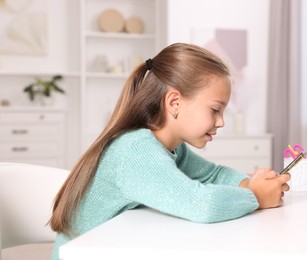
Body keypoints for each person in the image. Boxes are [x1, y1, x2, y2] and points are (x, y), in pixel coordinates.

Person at [49, 43, 291, 259]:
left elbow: (211, 174)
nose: (221, 122)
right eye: (215, 110)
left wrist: (250, 183)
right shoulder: (136, 150)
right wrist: (256, 196)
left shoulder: (171, 148)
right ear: (174, 102)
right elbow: (201, 204)